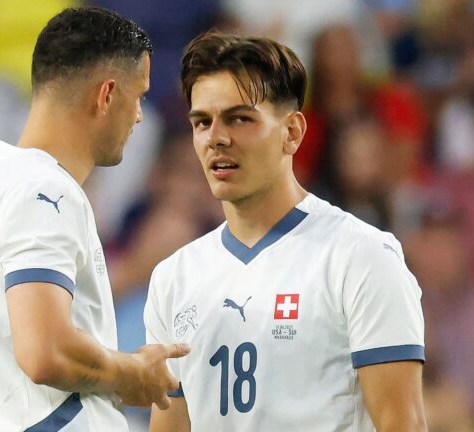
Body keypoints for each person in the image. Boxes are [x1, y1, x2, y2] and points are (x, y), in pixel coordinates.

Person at [145, 32, 427, 432]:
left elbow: (402, 424)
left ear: (292, 132)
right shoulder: (173, 278)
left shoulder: (362, 256)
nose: (216, 138)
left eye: (240, 119)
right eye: (202, 122)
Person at [0, 7, 189, 431]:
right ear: (106, 95)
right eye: (138, 96)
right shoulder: (43, 192)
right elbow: (45, 351)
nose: (139, 115)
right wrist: (130, 373)